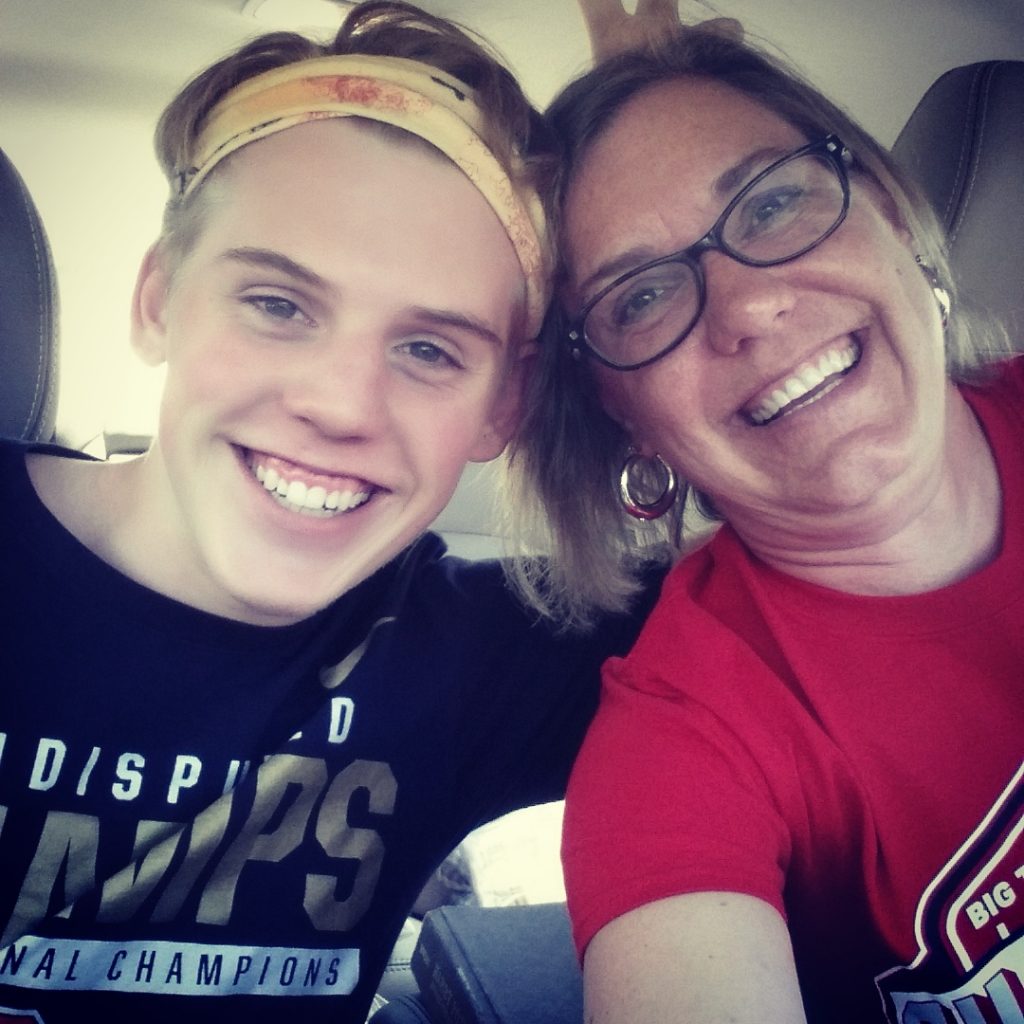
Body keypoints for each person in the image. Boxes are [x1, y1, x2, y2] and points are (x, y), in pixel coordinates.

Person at [0, 4, 655, 1021]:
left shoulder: (479, 660)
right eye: (277, 304)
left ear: (505, 403)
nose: (341, 404)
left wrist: (651, 151)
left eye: (429, 349)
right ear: (158, 300)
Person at [506, 11, 1024, 1024]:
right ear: (625, 421)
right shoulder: (679, 740)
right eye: (641, 298)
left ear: (888, 209)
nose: (746, 308)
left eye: (773, 202)